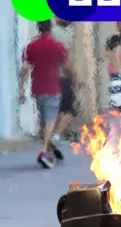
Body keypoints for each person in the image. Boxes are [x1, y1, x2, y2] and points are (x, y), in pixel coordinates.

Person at [19, 20, 80, 168]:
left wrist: (21, 90)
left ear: (38, 28)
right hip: (52, 87)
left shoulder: (31, 46)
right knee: (51, 120)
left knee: (43, 121)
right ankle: (45, 151)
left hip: (37, 88)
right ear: (50, 28)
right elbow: (67, 66)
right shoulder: (57, 46)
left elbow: (25, 70)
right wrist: (75, 79)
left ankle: (49, 150)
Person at [51, 18, 76, 143]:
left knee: (61, 109)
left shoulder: (58, 32)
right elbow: (65, 61)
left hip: (53, 77)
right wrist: (75, 76)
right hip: (61, 77)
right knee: (69, 112)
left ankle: (58, 134)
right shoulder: (58, 33)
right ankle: (55, 137)